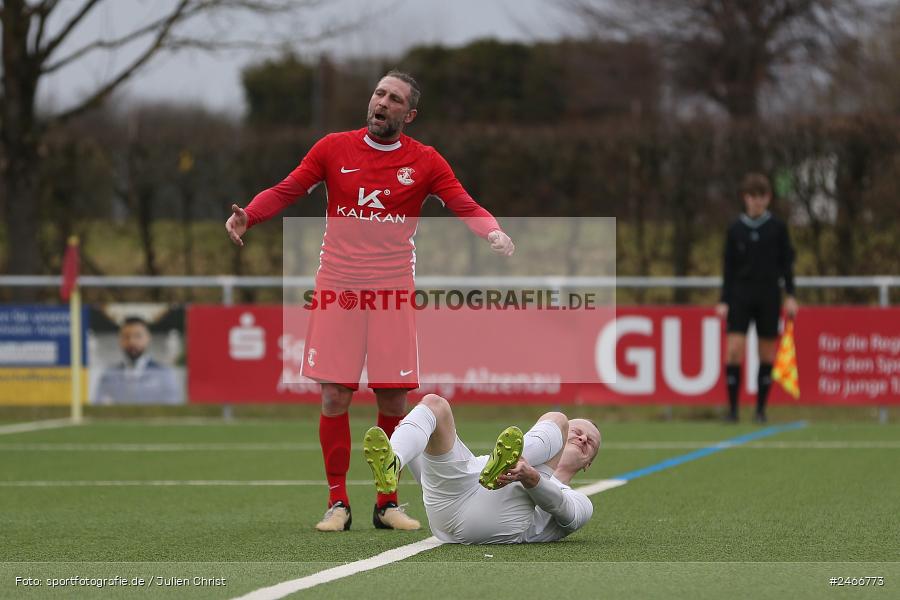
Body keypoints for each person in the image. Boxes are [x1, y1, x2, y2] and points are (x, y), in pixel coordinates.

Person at [225, 71, 515, 532]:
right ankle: (337, 503)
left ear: (409, 114)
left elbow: (465, 203)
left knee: (394, 398)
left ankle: (387, 503)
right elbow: (288, 188)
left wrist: (493, 230)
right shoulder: (333, 148)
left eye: (394, 98)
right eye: (379, 93)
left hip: (392, 291)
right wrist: (250, 216)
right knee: (335, 394)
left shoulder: (424, 161)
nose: (382, 102)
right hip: (338, 287)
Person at [363, 394, 599, 544]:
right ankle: (394, 462)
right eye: (577, 432)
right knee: (435, 405)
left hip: (497, 521)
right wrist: (413, 447)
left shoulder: (579, 500)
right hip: (449, 505)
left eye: (591, 442)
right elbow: (430, 481)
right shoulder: (490, 460)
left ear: (588, 464)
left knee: (558, 418)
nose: (583, 439)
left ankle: (511, 466)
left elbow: (565, 511)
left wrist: (533, 479)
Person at [716, 173, 798, 423]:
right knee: (734, 350)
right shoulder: (735, 229)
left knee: (767, 353)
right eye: (752, 197)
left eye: (761, 197)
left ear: (768, 198)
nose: (757, 202)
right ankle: (732, 411)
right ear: (745, 198)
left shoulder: (777, 228)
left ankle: (760, 410)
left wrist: (791, 295)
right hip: (740, 296)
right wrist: (724, 299)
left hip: (769, 296)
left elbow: (787, 265)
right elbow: (728, 268)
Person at [94, 316, 182, 405]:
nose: (131, 341)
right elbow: (99, 406)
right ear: (120, 340)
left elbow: (172, 407)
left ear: (148, 338)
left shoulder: (164, 374)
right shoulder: (109, 375)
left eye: (137, 336)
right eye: (126, 336)